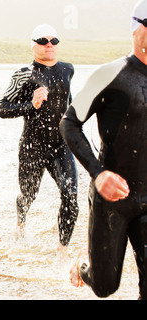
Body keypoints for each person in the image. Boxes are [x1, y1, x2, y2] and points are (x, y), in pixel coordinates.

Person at [61, 0, 147, 299]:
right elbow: (69, 123)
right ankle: (85, 266)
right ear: (136, 29)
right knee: (104, 286)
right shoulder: (111, 74)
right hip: (112, 198)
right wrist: (98, 175)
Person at [0, 24, 78, 255]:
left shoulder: (68, 69)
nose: (49, 45)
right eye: (43, 40)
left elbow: (67, 101)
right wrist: (30, 105)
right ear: (33, 45)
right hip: (33, 146)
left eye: (54, 41)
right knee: (28, 194)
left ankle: (62, 250)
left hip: (61, 145)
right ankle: (20, 223)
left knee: (71, 196)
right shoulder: (23, 74)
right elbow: (3, 109)